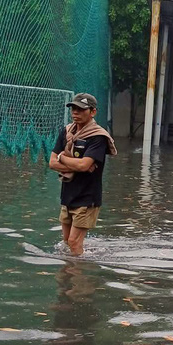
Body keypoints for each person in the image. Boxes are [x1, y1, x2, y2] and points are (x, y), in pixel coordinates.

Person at [48, 93, 117, 256]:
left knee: (73, 242)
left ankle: (78, 278)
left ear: (93, 112)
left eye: (80, 109)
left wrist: (61, 158)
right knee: (66, 242)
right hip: (67, 194)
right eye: (73, 109)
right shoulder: (66, 132)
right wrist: (71, 163)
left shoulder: (98, 137)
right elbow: (51, 163)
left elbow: (84, 165)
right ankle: (69, 272)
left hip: (87, 197)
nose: (75, 113)